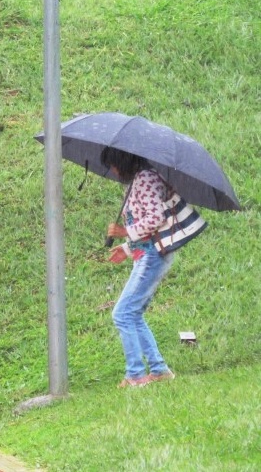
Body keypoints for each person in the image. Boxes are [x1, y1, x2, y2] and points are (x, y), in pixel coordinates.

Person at [101, 146, 180, 388]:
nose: (114, 171)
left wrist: (124, 231)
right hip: (145, 253)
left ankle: (135, 374)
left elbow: (156, 218)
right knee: (132, 314)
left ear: (123, 162)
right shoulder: (138, 180)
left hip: (152, 255)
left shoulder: (145, 178)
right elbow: (146, 222)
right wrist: (126, 248)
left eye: (113, 165)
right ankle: (159, 369)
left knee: (122, 314)